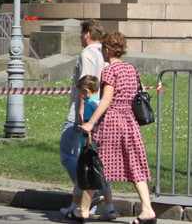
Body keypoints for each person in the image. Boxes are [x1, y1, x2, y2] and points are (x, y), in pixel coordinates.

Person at [75, 32, 157, 224]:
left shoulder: (110, 71)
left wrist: (91, 122)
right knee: (135, 164)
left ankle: (83, 210)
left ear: (107, 49)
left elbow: (106, 100)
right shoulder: (131, 69)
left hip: (112, 122)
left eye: (103, 47)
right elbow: (141, 90)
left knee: (95, 163)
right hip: (130, 123)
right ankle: (147, 209)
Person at [59, 20, 105, 218]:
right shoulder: (104, 52)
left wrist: (79, 113)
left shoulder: (87, 54)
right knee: (88, 158)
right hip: (98, 110)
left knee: (68, 154)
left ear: (87, 34)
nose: (80, 37)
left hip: (82, 113)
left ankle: (90, 193)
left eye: (81, 34)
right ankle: (83, 202)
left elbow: (85, 83)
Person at [76, 75, 116, 220]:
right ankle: (110, 208)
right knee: (104, 179)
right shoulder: (100, 102)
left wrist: (84, 128)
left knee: (89, 178)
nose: (81, 96)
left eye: (81, 92)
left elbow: (92, 125)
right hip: (103, 145)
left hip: (92, 147)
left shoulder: (90, 105)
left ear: (86, 91)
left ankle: (82, 210)